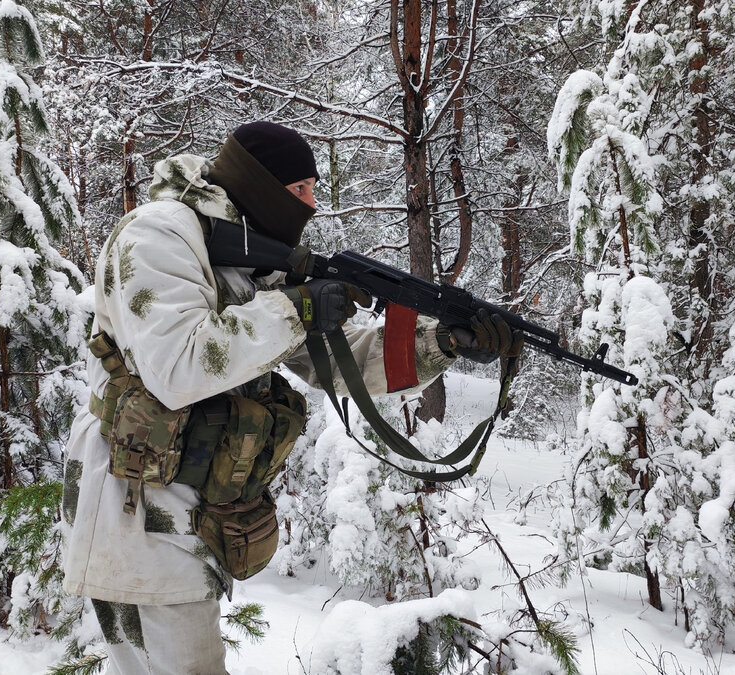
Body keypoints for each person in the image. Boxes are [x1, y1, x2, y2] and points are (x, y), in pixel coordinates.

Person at [60, 121, 519, 675]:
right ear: (258, 184)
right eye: (300, 190)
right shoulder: (158, 236)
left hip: (185, 502)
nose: (311, 204)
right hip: (132, 502)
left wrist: (442, 343)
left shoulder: (254, 257)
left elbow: (342, 363)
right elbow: (176, 367)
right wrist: (297, 308)